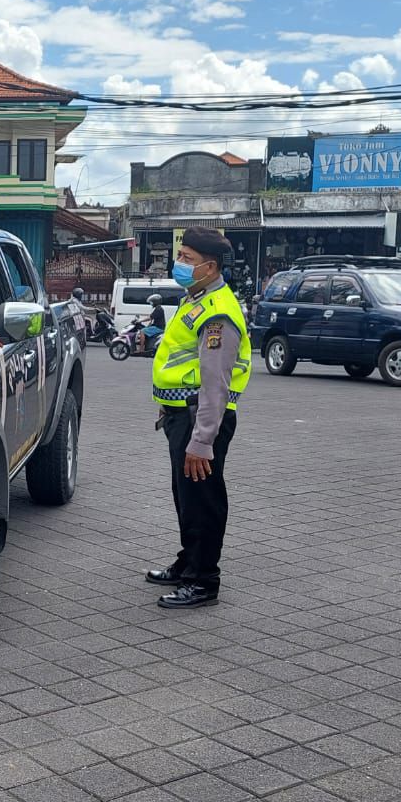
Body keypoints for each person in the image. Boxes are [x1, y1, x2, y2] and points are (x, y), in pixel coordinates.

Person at [145, 227, 250, 609]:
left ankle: (204, 580)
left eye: (187, 259)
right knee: (186, 495)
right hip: (183, 414)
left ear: (210, 267)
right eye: (180, 256)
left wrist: (202, 440)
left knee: (203, 499)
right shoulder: (196, 299)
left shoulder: (217, 313)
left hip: (200, 419)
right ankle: (189, 560)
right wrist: (168, 406)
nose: (180, 264)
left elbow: (215, 383)